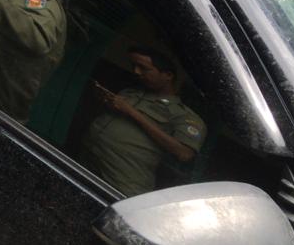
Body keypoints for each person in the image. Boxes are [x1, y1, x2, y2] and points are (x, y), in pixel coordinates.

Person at [84, 46, 207, 197]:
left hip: (122, 182)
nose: (136, 72)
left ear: (167, 75)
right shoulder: (131, 92)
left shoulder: (184, 116)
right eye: (134, 66)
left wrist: (130, 111)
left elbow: (184, 153)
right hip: (88, 162)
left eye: (144, 68)